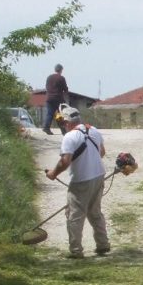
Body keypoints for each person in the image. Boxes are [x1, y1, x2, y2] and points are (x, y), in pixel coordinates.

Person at [45, 105, 110, 259]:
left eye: (63, 122)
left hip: (81, 180)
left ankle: (76, 250)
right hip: (99, 175)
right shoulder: (93, 130)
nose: (63, 125)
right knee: (95, 212)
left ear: (67, 122)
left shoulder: (69, 137)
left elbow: (65, 161)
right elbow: (102, 152)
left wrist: (53, 174)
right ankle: (103, 244)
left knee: (74, 215)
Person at [42, 63, 69, 135]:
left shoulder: (49, 77)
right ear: (61, 70)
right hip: (58, 98)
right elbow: (65, 89)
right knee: (59, 114)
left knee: (50, 114)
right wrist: (65, 94)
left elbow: (47, 87)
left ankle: (46, 127)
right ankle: (63, 130)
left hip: (49, 98)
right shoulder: (61, 78)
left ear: (55, 69)